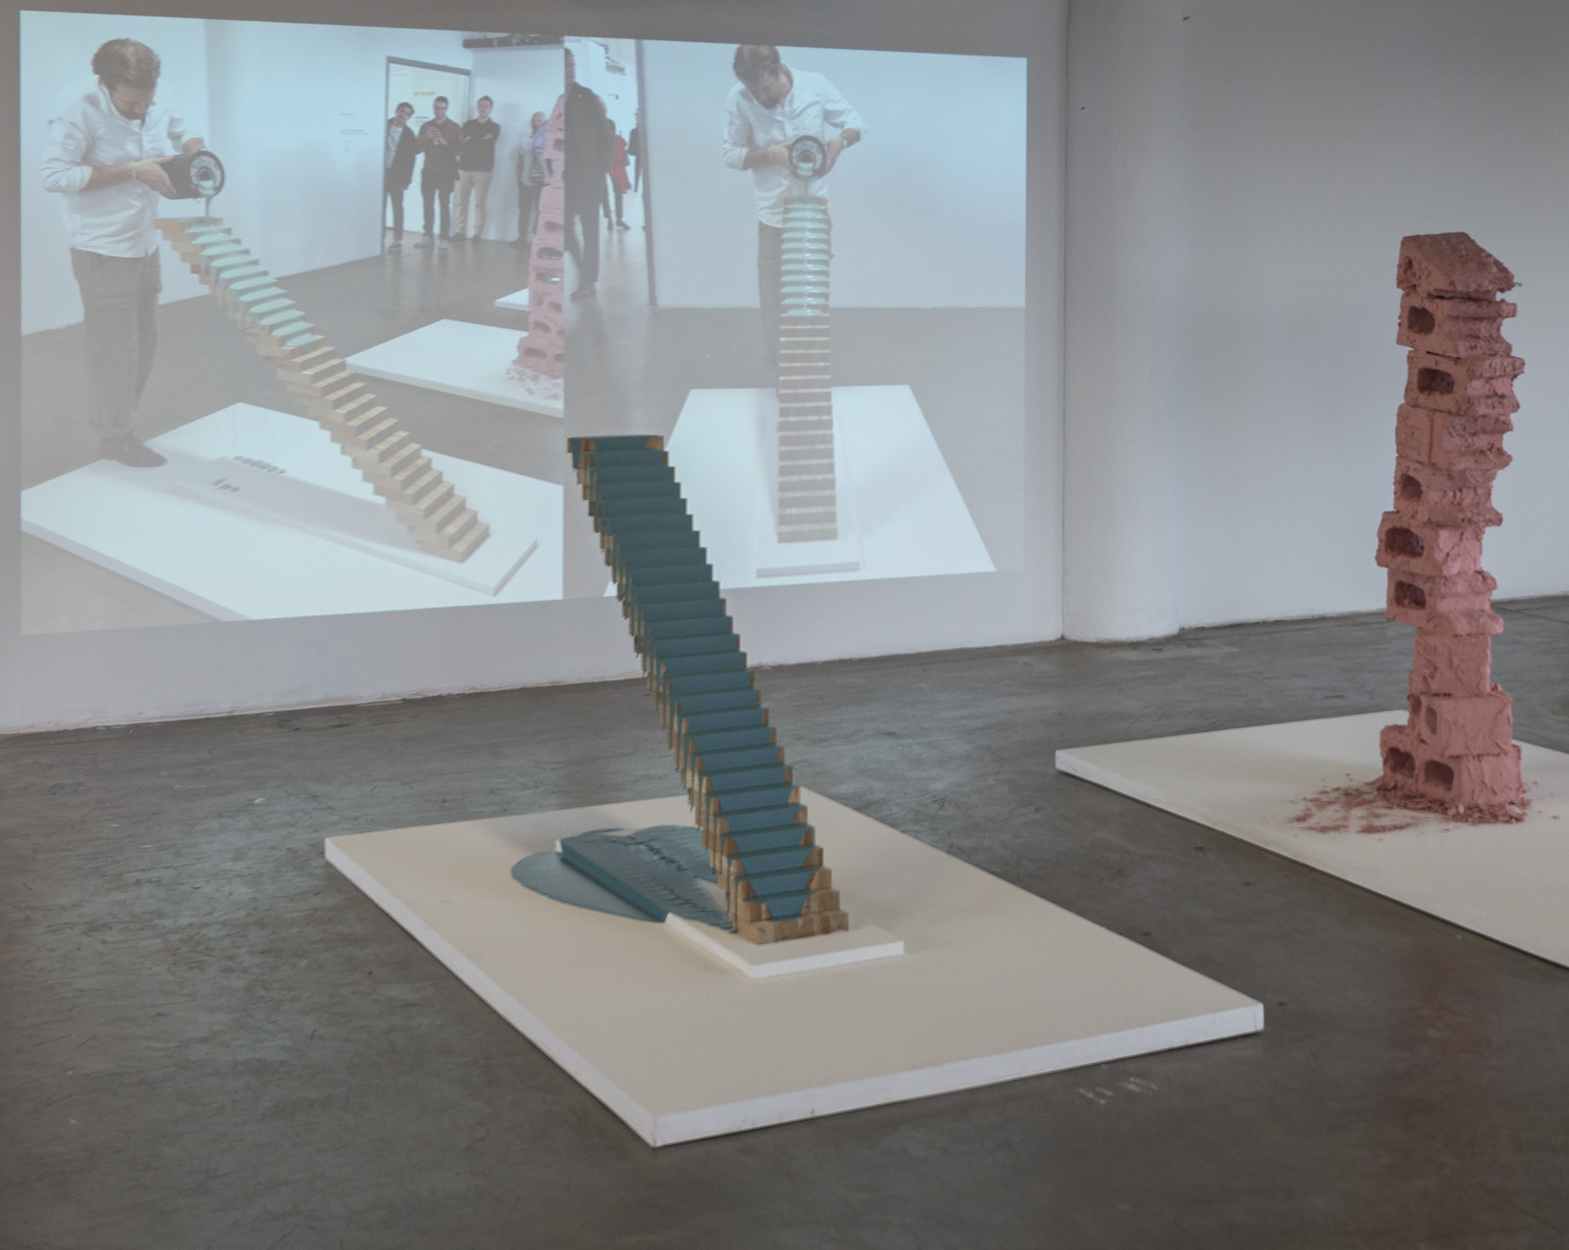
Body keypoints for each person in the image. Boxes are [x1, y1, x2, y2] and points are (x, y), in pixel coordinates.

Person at [41, 37, 206, 468]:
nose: (141, 111)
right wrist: (133, 170)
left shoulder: (155, 92)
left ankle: (120, 423)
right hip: (102, 247)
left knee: (144, 343)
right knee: (115, 349)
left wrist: (199, 155)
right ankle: (114, 436)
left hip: (143, 240)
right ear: (105, 83)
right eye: (131, 103)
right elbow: (54, 175)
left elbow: (182, 128)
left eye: (146, 102)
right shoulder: (75, 108)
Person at [723, 44, 864, 369]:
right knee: (774, 308)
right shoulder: (739, 99)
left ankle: (811, 374)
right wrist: (770, 154)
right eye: (752, 90)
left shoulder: (814, 86)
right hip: (773, 216)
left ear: (778, 69)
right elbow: (730, 153)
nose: (759, 97)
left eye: (765, 88)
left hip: (813, 212)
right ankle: (783, 378)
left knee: (811, 303)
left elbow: (856, 121)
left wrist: (840, 143)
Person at [562, 80, 610, 299]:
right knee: (565, 228)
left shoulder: (586, 97)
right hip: (566, 175)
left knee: (590, 230)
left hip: (588, 175)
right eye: (566, 65)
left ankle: (588, 281)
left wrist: (600, 170)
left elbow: (607, 139)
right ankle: (585, 273)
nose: (570, 70)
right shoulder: (560, 101)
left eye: (572, 64)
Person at [453, 95, 499, 241]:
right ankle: (459, 231)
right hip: (465, 168)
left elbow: (487, 145)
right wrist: (479, 140)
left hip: (483, 170)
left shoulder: (494, 127)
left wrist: (471, 140)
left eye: (486, 106)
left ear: (490, 109)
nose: (483, 108)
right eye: (481, 105)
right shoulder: (468, 125)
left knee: (479, 203)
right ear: (478, 107)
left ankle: (477, 233)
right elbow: (462, 145)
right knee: (462, 202)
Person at [417, 95, 460, 246]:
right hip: (428, 170)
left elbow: (459, 150)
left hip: (445, 172)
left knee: (444, 204)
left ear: (446, 109)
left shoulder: (454, 127)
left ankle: (444, 237)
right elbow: (416, 149)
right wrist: (424, 138)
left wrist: (443, 141)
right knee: (428, 204)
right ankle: (427, 235)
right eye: (436, 107)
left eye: (441, 108)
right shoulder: (426, 126)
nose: (438, 111)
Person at [383, 101, 416, 250]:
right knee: (379, 206)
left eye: (407, 113)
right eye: (402, 111)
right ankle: (378, 236)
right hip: (381, 173)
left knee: (397, 207)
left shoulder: (409, 135)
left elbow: (410, 160)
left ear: (409, 117)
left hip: (397, 176)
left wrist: (406, 181)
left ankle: (397, 239)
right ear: (396, 111)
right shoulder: (383, 125)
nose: (403, 115)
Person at [514, 109, 548, 246]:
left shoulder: (549, 141)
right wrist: (518, 179)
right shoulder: (524, 140)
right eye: (534, 120)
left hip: (543, 183)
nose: (536, 123)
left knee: (541, 211)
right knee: (524, 210)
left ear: (544, 123)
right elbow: (519, 161)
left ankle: (539, 239)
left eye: (539, 121)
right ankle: (521, 237)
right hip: (526, 181)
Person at [608, 123, 630, 229]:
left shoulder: (605, 140)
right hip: (618, 169)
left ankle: (609, 219)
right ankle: (619, 218)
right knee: (618, 194)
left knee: (605, 194)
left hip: (608, 167)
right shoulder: (619, 139)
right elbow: (625, 145)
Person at [627, 122, 641, 191]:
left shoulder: (634, 131)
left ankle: (636, 188)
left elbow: (631, 150)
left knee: (637, 175)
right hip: (640, 156)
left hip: (638, 156)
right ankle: (636, 188)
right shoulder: (634, 132)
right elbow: (631, 150)